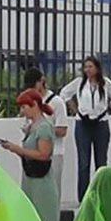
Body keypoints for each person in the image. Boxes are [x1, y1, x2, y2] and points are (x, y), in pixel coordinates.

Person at [1, 90, 64, 221]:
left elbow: (43, 154)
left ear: (34, 105)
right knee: (29, 218)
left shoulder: (44, 127)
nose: (22, 111)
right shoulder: (34, 126)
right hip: (31, 178)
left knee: (47, 220)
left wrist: (17, 149)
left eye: (24, 107)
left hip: (41, 180)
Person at [59, 56, 111, 201]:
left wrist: (107, 108)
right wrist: (76, 109)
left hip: (101, 123)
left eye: (90, 67)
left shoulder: (106, 83)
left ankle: (102, 195)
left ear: (97, 68)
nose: (87, 70)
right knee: (83, 163)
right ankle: (84, 198)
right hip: (83, 123)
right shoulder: (79, 83)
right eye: (85, 67)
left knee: (101, 162)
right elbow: (64, 93)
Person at [24, 68, 69, 209]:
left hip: (54, 153)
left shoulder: (57, 102)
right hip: (34, 154)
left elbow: (62, 129)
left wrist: (43, 131)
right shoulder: (30, 103)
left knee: (52, 192)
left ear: (41, 82)